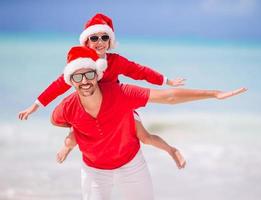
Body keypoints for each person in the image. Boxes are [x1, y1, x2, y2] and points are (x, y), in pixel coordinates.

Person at [51, 46, 246, 200]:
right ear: (71, 80)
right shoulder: (66, 108)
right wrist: (69, 143)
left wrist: (213, 94)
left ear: (98, 75)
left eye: (89, 74)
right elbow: (64, 122)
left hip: (130, 163)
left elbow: (169, 97)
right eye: (78, 76)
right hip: (94, 170)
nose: (84, 81)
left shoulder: (122, 94)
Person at [18, 13, 187, 168]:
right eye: (94, 38)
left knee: (145, 137)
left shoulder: (116, 61)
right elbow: (58, 85)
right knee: (70, 141)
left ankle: (172, 150)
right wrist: (35, 106)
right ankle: (68, 148)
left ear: (109, 42)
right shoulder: (80, 64)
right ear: (87, 42)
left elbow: (139, 71)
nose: (99, 41)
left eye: (104, 37)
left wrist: (166, 80)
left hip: (117, 106)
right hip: (87, 109)